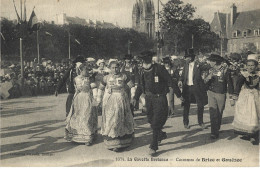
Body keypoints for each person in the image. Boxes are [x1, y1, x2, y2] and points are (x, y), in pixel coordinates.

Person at [132, 51, 183, 156]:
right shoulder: (142, 70)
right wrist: (135, 98)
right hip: (149, 99)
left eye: (147, 59)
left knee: (155, 123)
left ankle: (154, 146)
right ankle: (161, 134)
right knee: (150, 120)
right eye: (143, 60)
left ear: (151, 59)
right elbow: (141, 86)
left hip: (160, 99)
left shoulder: (159, 68)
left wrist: (179, 95)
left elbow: (170, 81)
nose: (145, 62)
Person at [97, 60, 135, 152]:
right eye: (113, 68)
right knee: (111, 119)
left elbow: (132, 86)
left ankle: (123, 141)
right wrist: (98, 100)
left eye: (116, 67)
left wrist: (133, 96)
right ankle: (112, 141)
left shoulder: (124, 76)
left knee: (121, 119)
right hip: (109, 101)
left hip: (122, 100)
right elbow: (101, 89)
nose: (115, 69)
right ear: (110, 68)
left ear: (119, 67)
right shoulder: (106, 77)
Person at [65, 63, 98, 145]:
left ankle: (88, 136)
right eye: (86, 70)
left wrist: (95, 97)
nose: (87, 71)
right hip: (79, 99)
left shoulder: (89, 78)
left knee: (87, 116)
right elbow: (75, 89)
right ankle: (77, 136)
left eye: (88, 70)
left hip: (87, 98)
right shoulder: (76, 79)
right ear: (80, 70)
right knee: (78, 116)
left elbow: (94, 87)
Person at [204, 54, 234, 139]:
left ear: (215, 62)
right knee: (212, 112)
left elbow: (230, 84)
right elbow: (205, 82)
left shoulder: (225, 70)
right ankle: (214, 132)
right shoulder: (210, 70)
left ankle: (216, 128)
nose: (209, 62)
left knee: (219, 113)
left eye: (210, 61)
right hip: (211, 93)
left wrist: (231, 97)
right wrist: (208, 78)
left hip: (221, 94)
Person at [231, 53, 259, 145]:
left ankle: (254, 135)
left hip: (256, 97)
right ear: (246, 66)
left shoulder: (258, 75)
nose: (250, 67)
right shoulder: (243, 75)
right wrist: (234, 97)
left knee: (255, 115)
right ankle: (248, 133)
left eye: (252, 65)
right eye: (249, 65)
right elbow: (238, 86)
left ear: (256, 66)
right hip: (245, 97)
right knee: (246, 115)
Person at [178, 48, 208, 129]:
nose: (187, 58)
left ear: (192, 57)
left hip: (197, 88)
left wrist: (202, 62)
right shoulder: (185, 65)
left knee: (200, 105)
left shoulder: (198, 65)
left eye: (188, 57)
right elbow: (183, 75)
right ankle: (185, 122)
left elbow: (207, 67)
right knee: (186, 106)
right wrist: (180, 80)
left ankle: (201, 122)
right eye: (186, 57)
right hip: (187, 88)